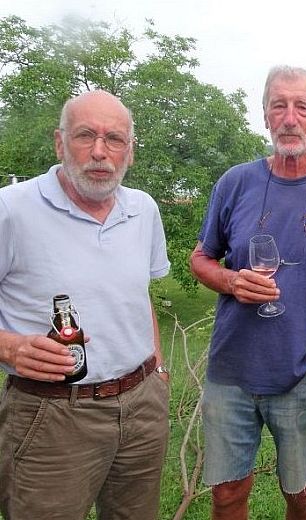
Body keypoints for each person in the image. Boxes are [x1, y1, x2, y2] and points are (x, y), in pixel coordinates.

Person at [190, 65, 306, 520]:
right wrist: (231, 281)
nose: (290, 118)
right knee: (226, 495)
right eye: (279, 106)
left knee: (300, 494)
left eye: (302, 107)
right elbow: (200, 258)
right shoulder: (235, 182)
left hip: (302, 375)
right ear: (265, 115)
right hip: (231, 371)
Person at [0, 90, 171, 519]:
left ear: (129, 152)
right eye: (84, 135)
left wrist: (159, 369)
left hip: (142, 405)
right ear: (60, 143)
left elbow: (139, 295)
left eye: (114, 139)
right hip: (52, 414)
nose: (99, 151)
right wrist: (10, 348)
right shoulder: (11, 210)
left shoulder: (143, 209)